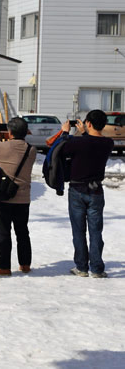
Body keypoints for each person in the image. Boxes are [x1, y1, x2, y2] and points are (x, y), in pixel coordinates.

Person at [61, 110, 114, 278]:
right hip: (97, 191)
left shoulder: (77, 142)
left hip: (77, 189)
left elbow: (64, 149)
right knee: (96, 231)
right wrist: (85, 132)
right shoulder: (108, 143)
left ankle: (82, 267)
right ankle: (97, 269)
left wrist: (65, 132)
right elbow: (92, 142)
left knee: (78, 230)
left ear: (88, 123)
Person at [0, 117, 37, 276]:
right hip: (24, 198)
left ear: (10, 131)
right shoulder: (31, 150)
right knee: (22, 231)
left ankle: (4, 266)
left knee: (4, 232)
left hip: (4, 196)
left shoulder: (2, 147)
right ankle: (25, 264)